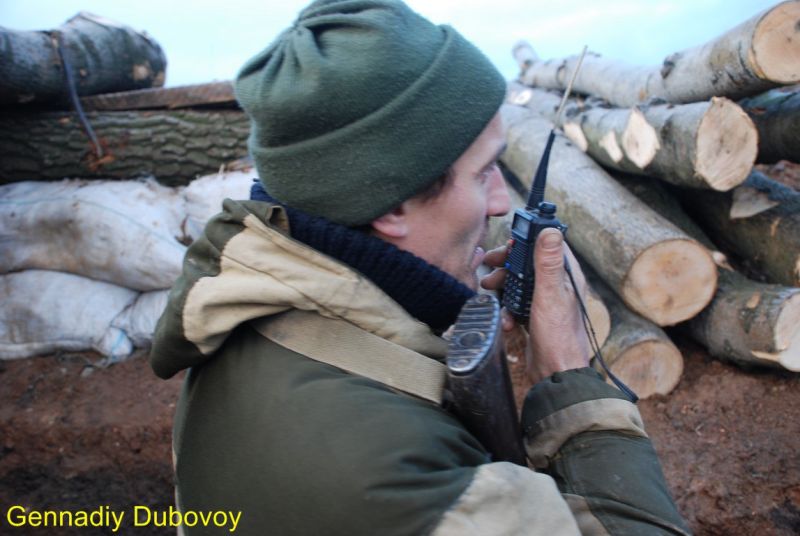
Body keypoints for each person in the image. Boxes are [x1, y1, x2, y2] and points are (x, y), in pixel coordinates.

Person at [150, 0, 690, 534]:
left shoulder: (247, 309)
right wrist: (567, 372)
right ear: (390, 203)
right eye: (483, 173)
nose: (500, 202)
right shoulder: (405, 484)